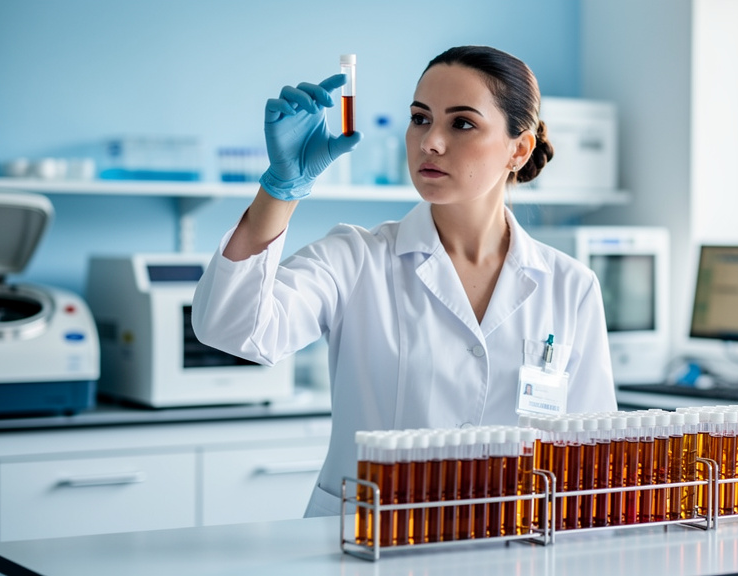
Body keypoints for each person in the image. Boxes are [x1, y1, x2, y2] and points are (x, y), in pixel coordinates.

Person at [192, 45, 617, 517]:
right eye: (420, 118)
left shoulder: (569, 286)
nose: (430, 142)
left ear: (518, 149)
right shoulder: (356, 259)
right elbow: (232, 328)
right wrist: (280, 188)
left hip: (511, 547)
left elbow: (591, 456)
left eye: (461, 123)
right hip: (371, 545)